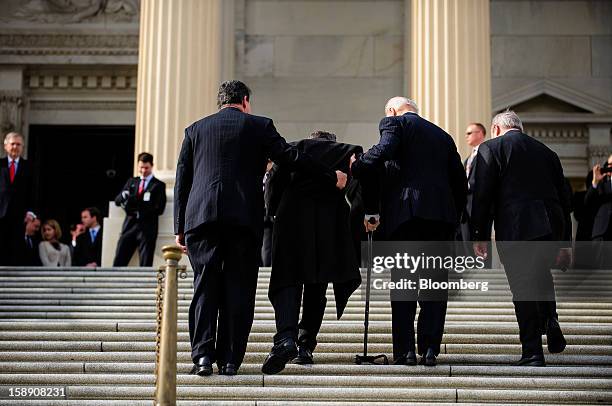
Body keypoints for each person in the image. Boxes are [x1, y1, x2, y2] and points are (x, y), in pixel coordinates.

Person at [174, 80, 347, 377]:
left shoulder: (195, 129)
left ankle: (202, 356)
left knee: (204, 286)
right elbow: (291, 158)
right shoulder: (259, 126)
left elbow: (183, 179)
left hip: (201, 219)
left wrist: (180, 226)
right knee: (239, 288)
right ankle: (230, 360)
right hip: (243, 218)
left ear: (221, 102)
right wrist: (330, 174)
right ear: (244, 101)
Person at [350, 97, 467, 366]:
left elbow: (383, 151)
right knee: (434, 287)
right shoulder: (443, 136)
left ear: (391, 111)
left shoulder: (394, 124)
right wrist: (452, 216)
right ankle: (429, 349)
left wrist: (359, 164)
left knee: (404, 284)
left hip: (406, 218)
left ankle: (406, 351)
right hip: (439, 220)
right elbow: (459, 183)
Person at [471, 110, 572, 367]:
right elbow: (565, 198)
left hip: (517, 227)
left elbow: (483, 196)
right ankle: (550, 317)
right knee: (541, 275)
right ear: (520, 127)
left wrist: (479, 235)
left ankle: (532, 352)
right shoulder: (547, 152)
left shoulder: (490, 148)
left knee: (523, 287)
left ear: (495, 129)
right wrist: (565, 243)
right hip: (551, 226)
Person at [261, 130, 363, 374]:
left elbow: (273, 182)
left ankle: (286, 338)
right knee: (317, 289)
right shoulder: (346, 154)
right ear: (332, 142)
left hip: (292, 225)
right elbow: (356, 190)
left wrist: (273, 210)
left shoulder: (293, 150)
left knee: (289, 283)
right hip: (329, 229)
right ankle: (306, 345)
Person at [113, 152, 167, 266]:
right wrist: (124, 195)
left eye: (146, 167)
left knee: (145, 261)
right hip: (129, 226)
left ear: (152, 166)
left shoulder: (158, 185)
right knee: (119, 259)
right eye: (141, 167)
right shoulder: (132, 182)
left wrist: (140, 206)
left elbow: (160, 208)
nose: (143, 171)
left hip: (147, 228)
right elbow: (117, 201)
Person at [0, 132, 35, 265]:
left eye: (18, 144)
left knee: (16, 244)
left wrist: (31, 212)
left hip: (20, 214)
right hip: (1, 212)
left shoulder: (29, 166)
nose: (15, 147)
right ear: (5, 146)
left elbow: (33, 190)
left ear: (22, 147)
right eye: (12, 144)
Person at [584, 154, 612, 268]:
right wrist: (595, 181)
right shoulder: (600, 185)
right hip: (602, 233)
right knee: (601, 272)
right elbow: (587, 203)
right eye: (609, 165)